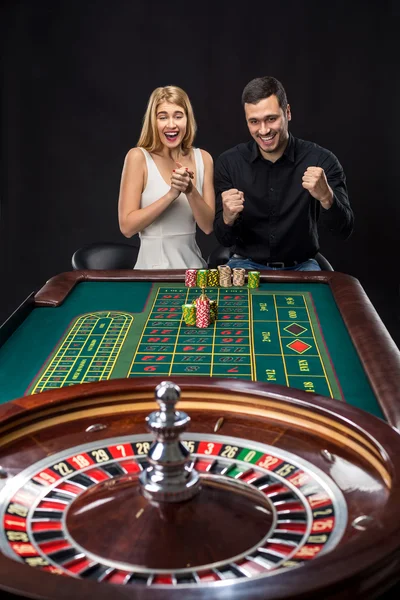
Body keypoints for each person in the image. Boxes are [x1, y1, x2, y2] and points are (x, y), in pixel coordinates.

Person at [213, 76, 354, 271]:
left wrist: (327, 197)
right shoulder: (229, 163)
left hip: (302, 266)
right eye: (254, 121)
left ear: (287, 112)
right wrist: (227, 218)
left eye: (271, 119)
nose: (263, 130)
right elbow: (223, 238)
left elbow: (343, 230)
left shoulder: (322, 160)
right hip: (244, 265)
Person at [118, 86, 214, 269]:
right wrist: (171, 194)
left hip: (193, 270)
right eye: (163, 117)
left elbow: (208, 226)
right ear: (153, 122)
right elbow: (127, 227)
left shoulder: (204, 158)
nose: (172, 124)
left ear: (188, 119)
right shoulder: (138, 157)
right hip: (150, 272)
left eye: (178, 116)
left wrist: (190, 190)